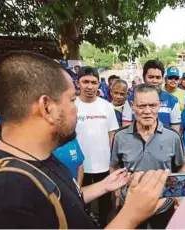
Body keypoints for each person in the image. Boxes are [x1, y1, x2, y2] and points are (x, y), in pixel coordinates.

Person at [0, 51, 170, 229]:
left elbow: (61, 199)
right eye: (71, 100)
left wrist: (103, 186)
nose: (77, 109)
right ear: (46, 107)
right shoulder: (3, 194)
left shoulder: (41, 159)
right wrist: (131, 215)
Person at [110, 84, 185, 229]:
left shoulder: (172, 137)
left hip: (163, 205)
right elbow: (114, 166)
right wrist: (117, 192)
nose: (147, 111)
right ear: (133, 106)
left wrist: (178, 196)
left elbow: (182, 164)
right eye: (141, 106)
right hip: (130, 204)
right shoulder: (120, 137)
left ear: (159, 105)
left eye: (152, 105)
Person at [75, 66, 119, 227]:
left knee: (105, 206)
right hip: (79, 167)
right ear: (77, 83)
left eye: (94, 82)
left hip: (104, 165)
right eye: (85, 81)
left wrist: (112, 162)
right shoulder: (71, 106)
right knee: (80, 202)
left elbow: (112, 135)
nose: (90, 86)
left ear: (98, 85)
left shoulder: (106, 106)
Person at [126, 60, 182, 132]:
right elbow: (126, 133)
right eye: (151, 77)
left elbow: (175, 133)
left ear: (162, 79)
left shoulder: (173, 101)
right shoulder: (130, 101)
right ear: (144, 77)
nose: (154, 81)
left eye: (158, 77)